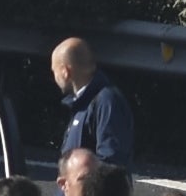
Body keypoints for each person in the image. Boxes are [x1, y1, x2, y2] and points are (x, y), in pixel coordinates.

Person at [53, 37, 134, 167]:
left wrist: (81, 183)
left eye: (54, 71)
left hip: (92, 188)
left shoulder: (106, 101)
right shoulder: (82, 103)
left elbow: (111, 163)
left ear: (65, 72)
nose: (54, 77)